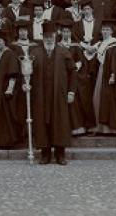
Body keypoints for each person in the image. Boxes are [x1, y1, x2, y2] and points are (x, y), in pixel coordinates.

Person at [29, 21, 76, 165]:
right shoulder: (35, 52)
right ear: (43, 37)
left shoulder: (63, 52)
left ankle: (60, 155)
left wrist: (71, 92)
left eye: (51, 36)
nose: (49, 39)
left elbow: (72, 72)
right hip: (41, 95)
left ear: (55, 36)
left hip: (59, 94)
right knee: (43, 122)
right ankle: (45, 154)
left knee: (59, 122)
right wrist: (26, 84)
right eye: (46, 36)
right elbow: (27, 72)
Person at [92, 19, 116, 135]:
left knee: (110, 100)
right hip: (101, 73)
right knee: (98, 99)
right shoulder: (101, 44)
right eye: (103, 30)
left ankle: (112, 129)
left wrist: (113, 75)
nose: (105, 32)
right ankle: (101, 127)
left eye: (107, 30)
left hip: (110, 75)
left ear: (112, 31)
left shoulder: (115, 44)